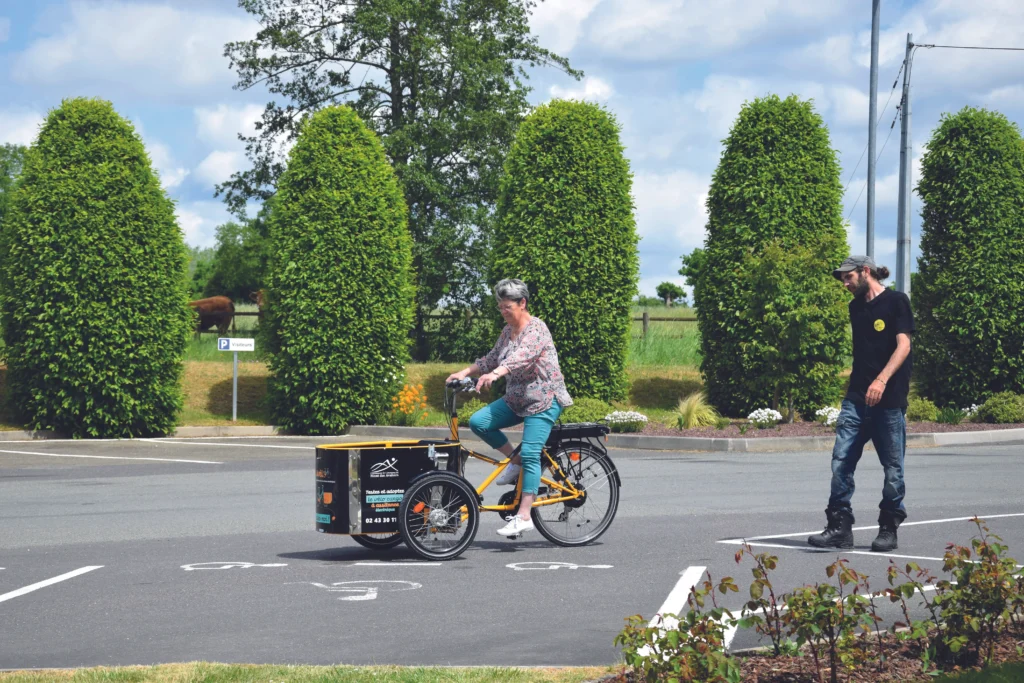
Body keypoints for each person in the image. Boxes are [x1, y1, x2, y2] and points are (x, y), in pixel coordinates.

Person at [445, 278, 573, 538]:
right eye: (500, 307)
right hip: (517, 398)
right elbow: (491, 358)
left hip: (543, 400)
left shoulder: (537, 330)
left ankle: (524, 515)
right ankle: (513, 460)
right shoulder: (507, 331)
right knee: (480, 422)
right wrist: (463, 371)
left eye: (507, 307)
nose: (503, 312)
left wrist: (497, 374)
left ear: (522, 303)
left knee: (531, 453)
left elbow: (520, 357)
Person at [808, 255, 914, 552]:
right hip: (857, 399)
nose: (845, 283)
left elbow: (904, 345)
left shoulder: (897, 301)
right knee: (841, 460)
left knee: (893, 469)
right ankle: (839, 528)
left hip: (890, 400)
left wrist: (881, 381)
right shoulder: (855, 307)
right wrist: (862, 385)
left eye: (848, 277)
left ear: (865, 271)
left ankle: (888, 528)